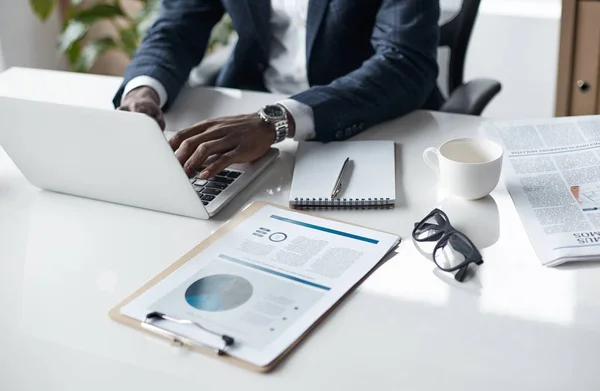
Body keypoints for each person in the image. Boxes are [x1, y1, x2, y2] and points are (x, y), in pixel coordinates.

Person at [113, 0, 443, 179]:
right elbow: (177, 26)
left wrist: (276, 120)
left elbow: (405, 61)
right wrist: (143, 89)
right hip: (248, 117)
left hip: (367, 118)